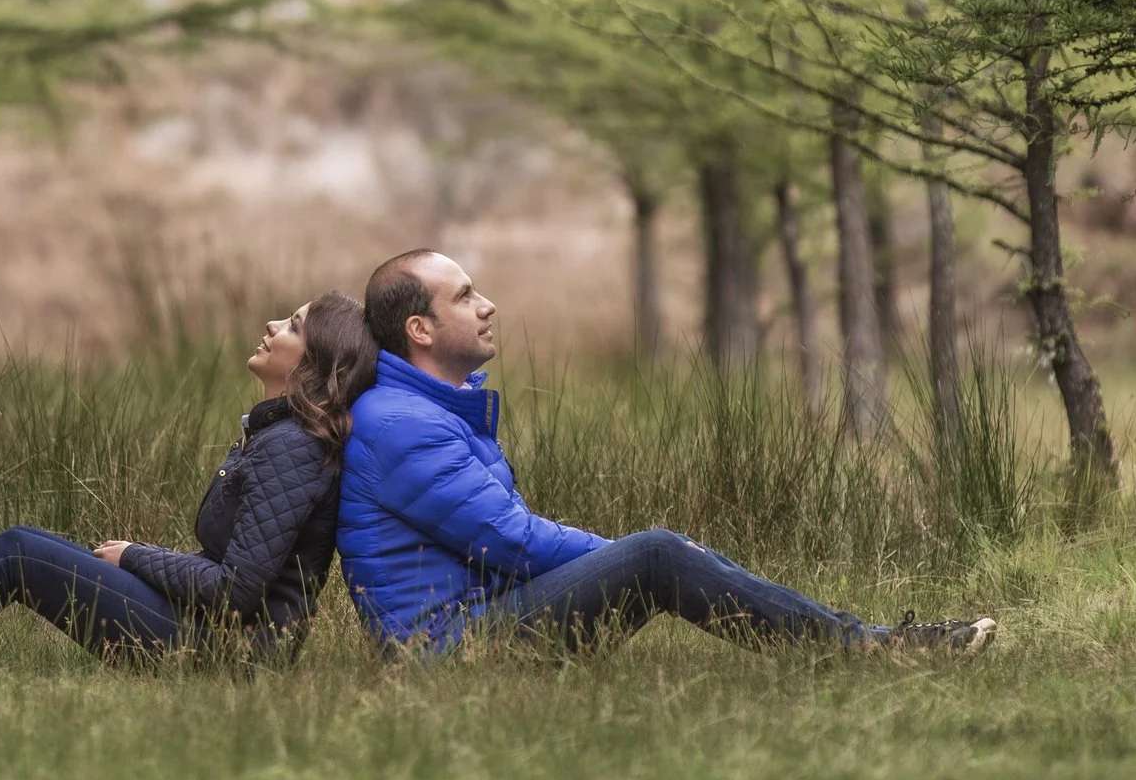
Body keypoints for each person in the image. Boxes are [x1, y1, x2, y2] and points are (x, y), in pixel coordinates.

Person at [337, 250, 998, 656]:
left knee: (660, 553)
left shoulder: (428, 408)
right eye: (464, 296)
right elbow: (511, 544)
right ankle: (867, 649)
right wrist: (647, 553)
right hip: (454, 648)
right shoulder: (402, 424)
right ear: (420, 329)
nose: (488, 305)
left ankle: (859, 641)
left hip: (478, 621)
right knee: (656, 554)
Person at [0, 291, 377, 667]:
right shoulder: (277, 435)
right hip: (209, 632)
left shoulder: (294, 448)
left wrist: (134, 557)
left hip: (227, 655)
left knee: (18, 552)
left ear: (315, 364)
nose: (273, 323)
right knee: (25, 545)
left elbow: (235, 590)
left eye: (294, 325)